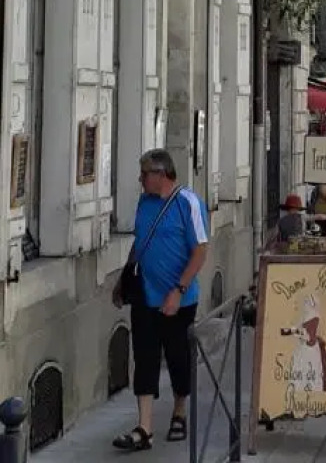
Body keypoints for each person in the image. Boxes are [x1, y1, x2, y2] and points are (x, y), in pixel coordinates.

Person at [112, 149, 208, 450]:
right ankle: (145, 427)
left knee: (178, 357)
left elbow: (200, 251)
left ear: (161, 174)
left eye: (144, 174)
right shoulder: (144, 202)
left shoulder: (188, 203)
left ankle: (179, 410)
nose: (140, 180)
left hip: (179, 296)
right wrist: (123, 279)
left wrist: (178, 291)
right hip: (145, 291)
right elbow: (141, 242)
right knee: (145, 357)